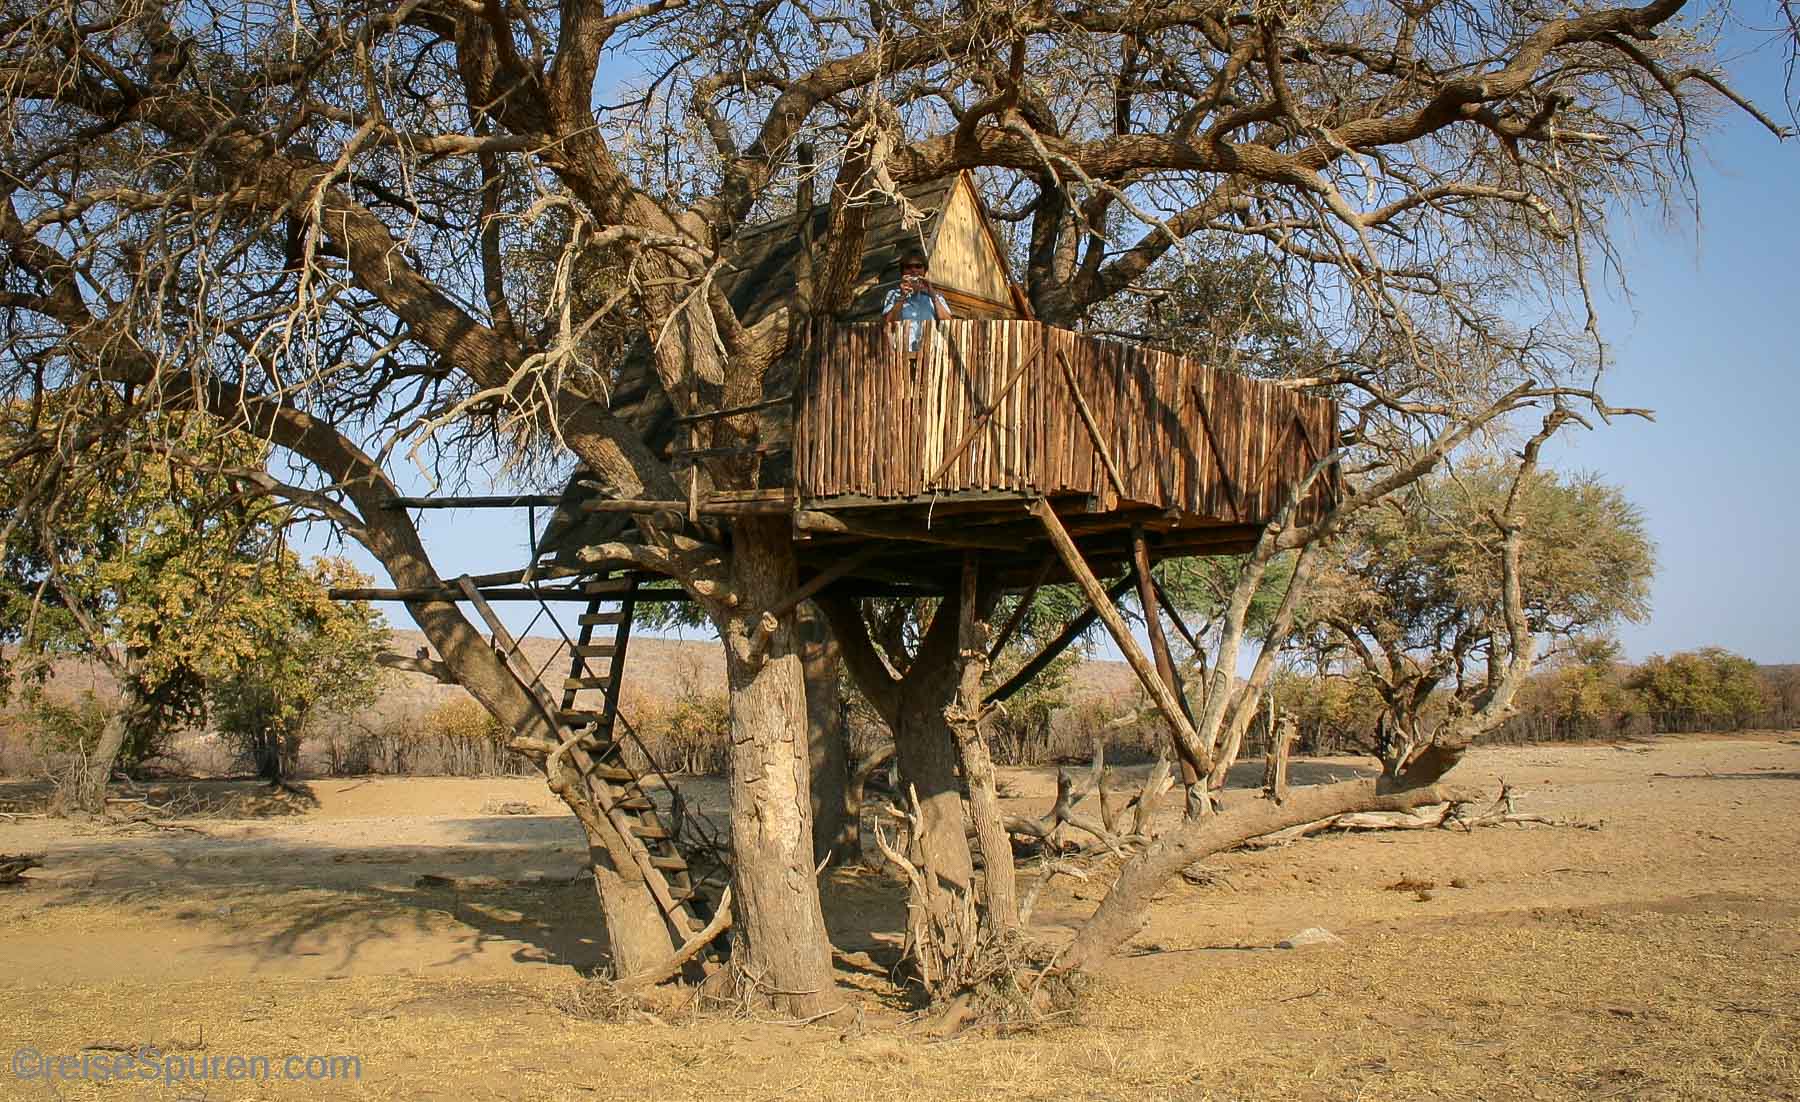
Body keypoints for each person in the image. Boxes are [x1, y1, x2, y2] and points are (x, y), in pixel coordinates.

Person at [881, 248, 950, 349]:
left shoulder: (935, 296)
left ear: (924, 271)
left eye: (918, 266)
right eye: (908, 267)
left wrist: (933, 295)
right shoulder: (893, 295)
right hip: (901, 353)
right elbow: (888, 322)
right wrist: (902, 297)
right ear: (903, 272)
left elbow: (949, 322)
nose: (914, 270)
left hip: (929, 353)